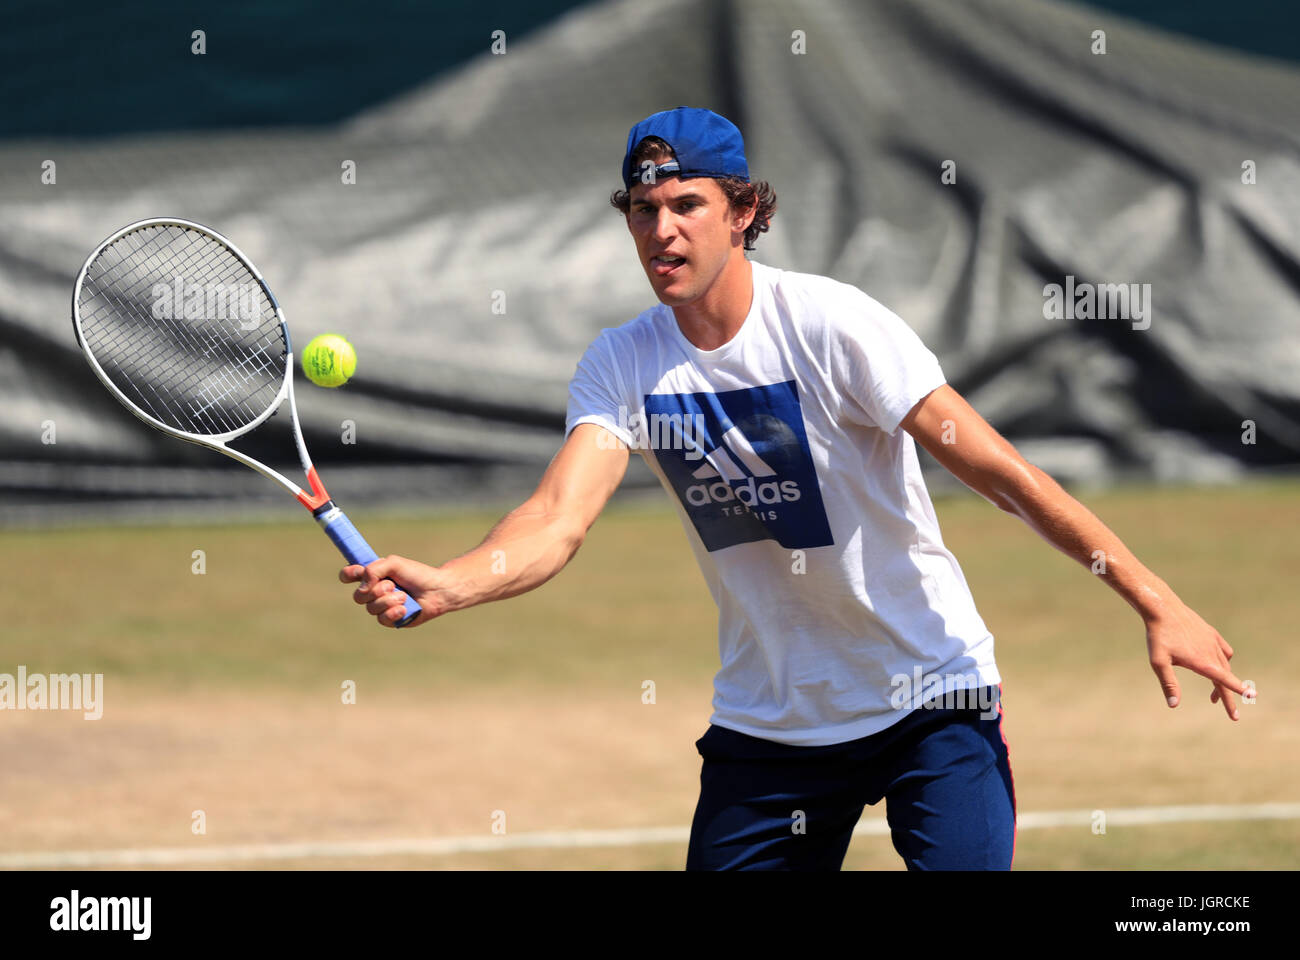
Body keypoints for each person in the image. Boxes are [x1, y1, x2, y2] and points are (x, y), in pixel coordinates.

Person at [341, 106, 1247, 871]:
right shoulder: (623, 362)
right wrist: (458, 580)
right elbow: (555, 517)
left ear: (742, 214)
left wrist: (1152, 598)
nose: (663, 231)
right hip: (772, 725)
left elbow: (1001, 474)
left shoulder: (833, 325)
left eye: (688, 204)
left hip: (932, 697)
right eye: (644, 209)